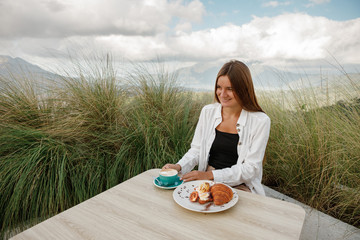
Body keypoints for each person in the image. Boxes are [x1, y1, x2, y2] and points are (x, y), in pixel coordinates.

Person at [162, 60, 270, 195]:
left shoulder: (260, 121)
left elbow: (250, 169)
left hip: (240, 185)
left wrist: (210, 176)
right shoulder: (208, 112)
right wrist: (179, 167)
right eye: (219, 87)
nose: (222, 94)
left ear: (244, 89)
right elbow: (197, 150)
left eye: (230, 89)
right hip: (207, 178)